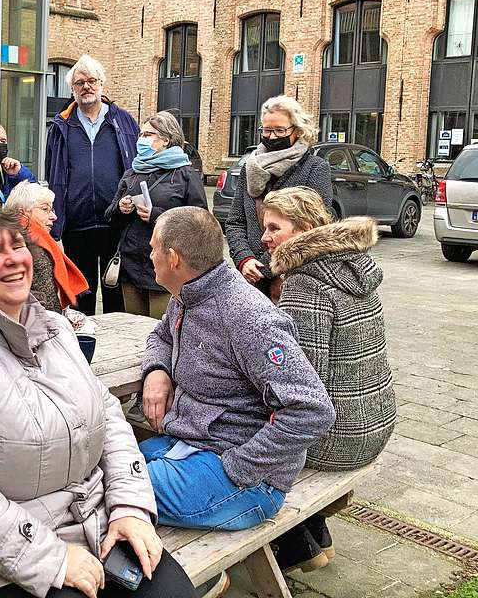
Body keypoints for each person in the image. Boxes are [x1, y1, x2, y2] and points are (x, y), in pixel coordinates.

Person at [0, 205, 205, 598]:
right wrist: (50, 556)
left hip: (89, 525)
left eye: (18, 245)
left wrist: (130, 509)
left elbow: (111, 422)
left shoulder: (55, 329)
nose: (13, 259)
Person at [139, 206, 334, 596]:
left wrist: (238, 468)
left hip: (245, 476)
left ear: (173, 258)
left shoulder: (248, 317)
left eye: (153, 248)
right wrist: (156, 372)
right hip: (195, 443)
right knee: (100, 459)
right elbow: (160, 337)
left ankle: (193, 578)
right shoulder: (189, 293)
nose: (149, 256)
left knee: (107, 487)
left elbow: (312, 409)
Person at [261, 187, 396, 572]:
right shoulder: (351, 265)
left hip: (340, 437)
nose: (265, 238)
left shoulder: (305, 282)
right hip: (377, 422)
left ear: (304, 229)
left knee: (237, 431)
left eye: (275, 228)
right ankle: (312, 537)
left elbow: (301, 386)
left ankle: (289, 544)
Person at [45, 54, 139, 315]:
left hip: (116, 223)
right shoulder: (61, 126)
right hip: (77, 225)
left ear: (102, 84)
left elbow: (137, 167)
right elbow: (52, 171)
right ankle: (82, 346)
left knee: (115, 293)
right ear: (72, 89)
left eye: (92, 81)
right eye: (79, 83)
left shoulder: (123, 121)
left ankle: (116, 349)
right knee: (80, 295)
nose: (86, 87)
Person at [225, 95, 331, 297]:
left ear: (297, 131)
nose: (272, 137)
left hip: (291, 278)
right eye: (267, 130)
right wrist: (244, 259)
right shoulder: (250, 167)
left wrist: (263, 267)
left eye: (280, 130)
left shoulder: (315, 168)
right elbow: (235, 222)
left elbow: (315, 228)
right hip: (251, 278)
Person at [106, 112, 207, 320]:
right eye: (140, 134)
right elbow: (110, 217)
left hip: (168, 266)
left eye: (148, 134)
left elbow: (200, 221)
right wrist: (121, 208)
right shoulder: (132, 173)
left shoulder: (185, 174)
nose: (141, 139)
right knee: (133, 331)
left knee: (161, 329)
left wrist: (156, 216)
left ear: (165, 140)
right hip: (131, 265)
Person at [2, 181, 88, 313]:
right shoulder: (29, 245)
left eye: (51, 209)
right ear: (23, 212)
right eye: (45, 209)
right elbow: (46, 303)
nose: (54, 216)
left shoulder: (13, 235)